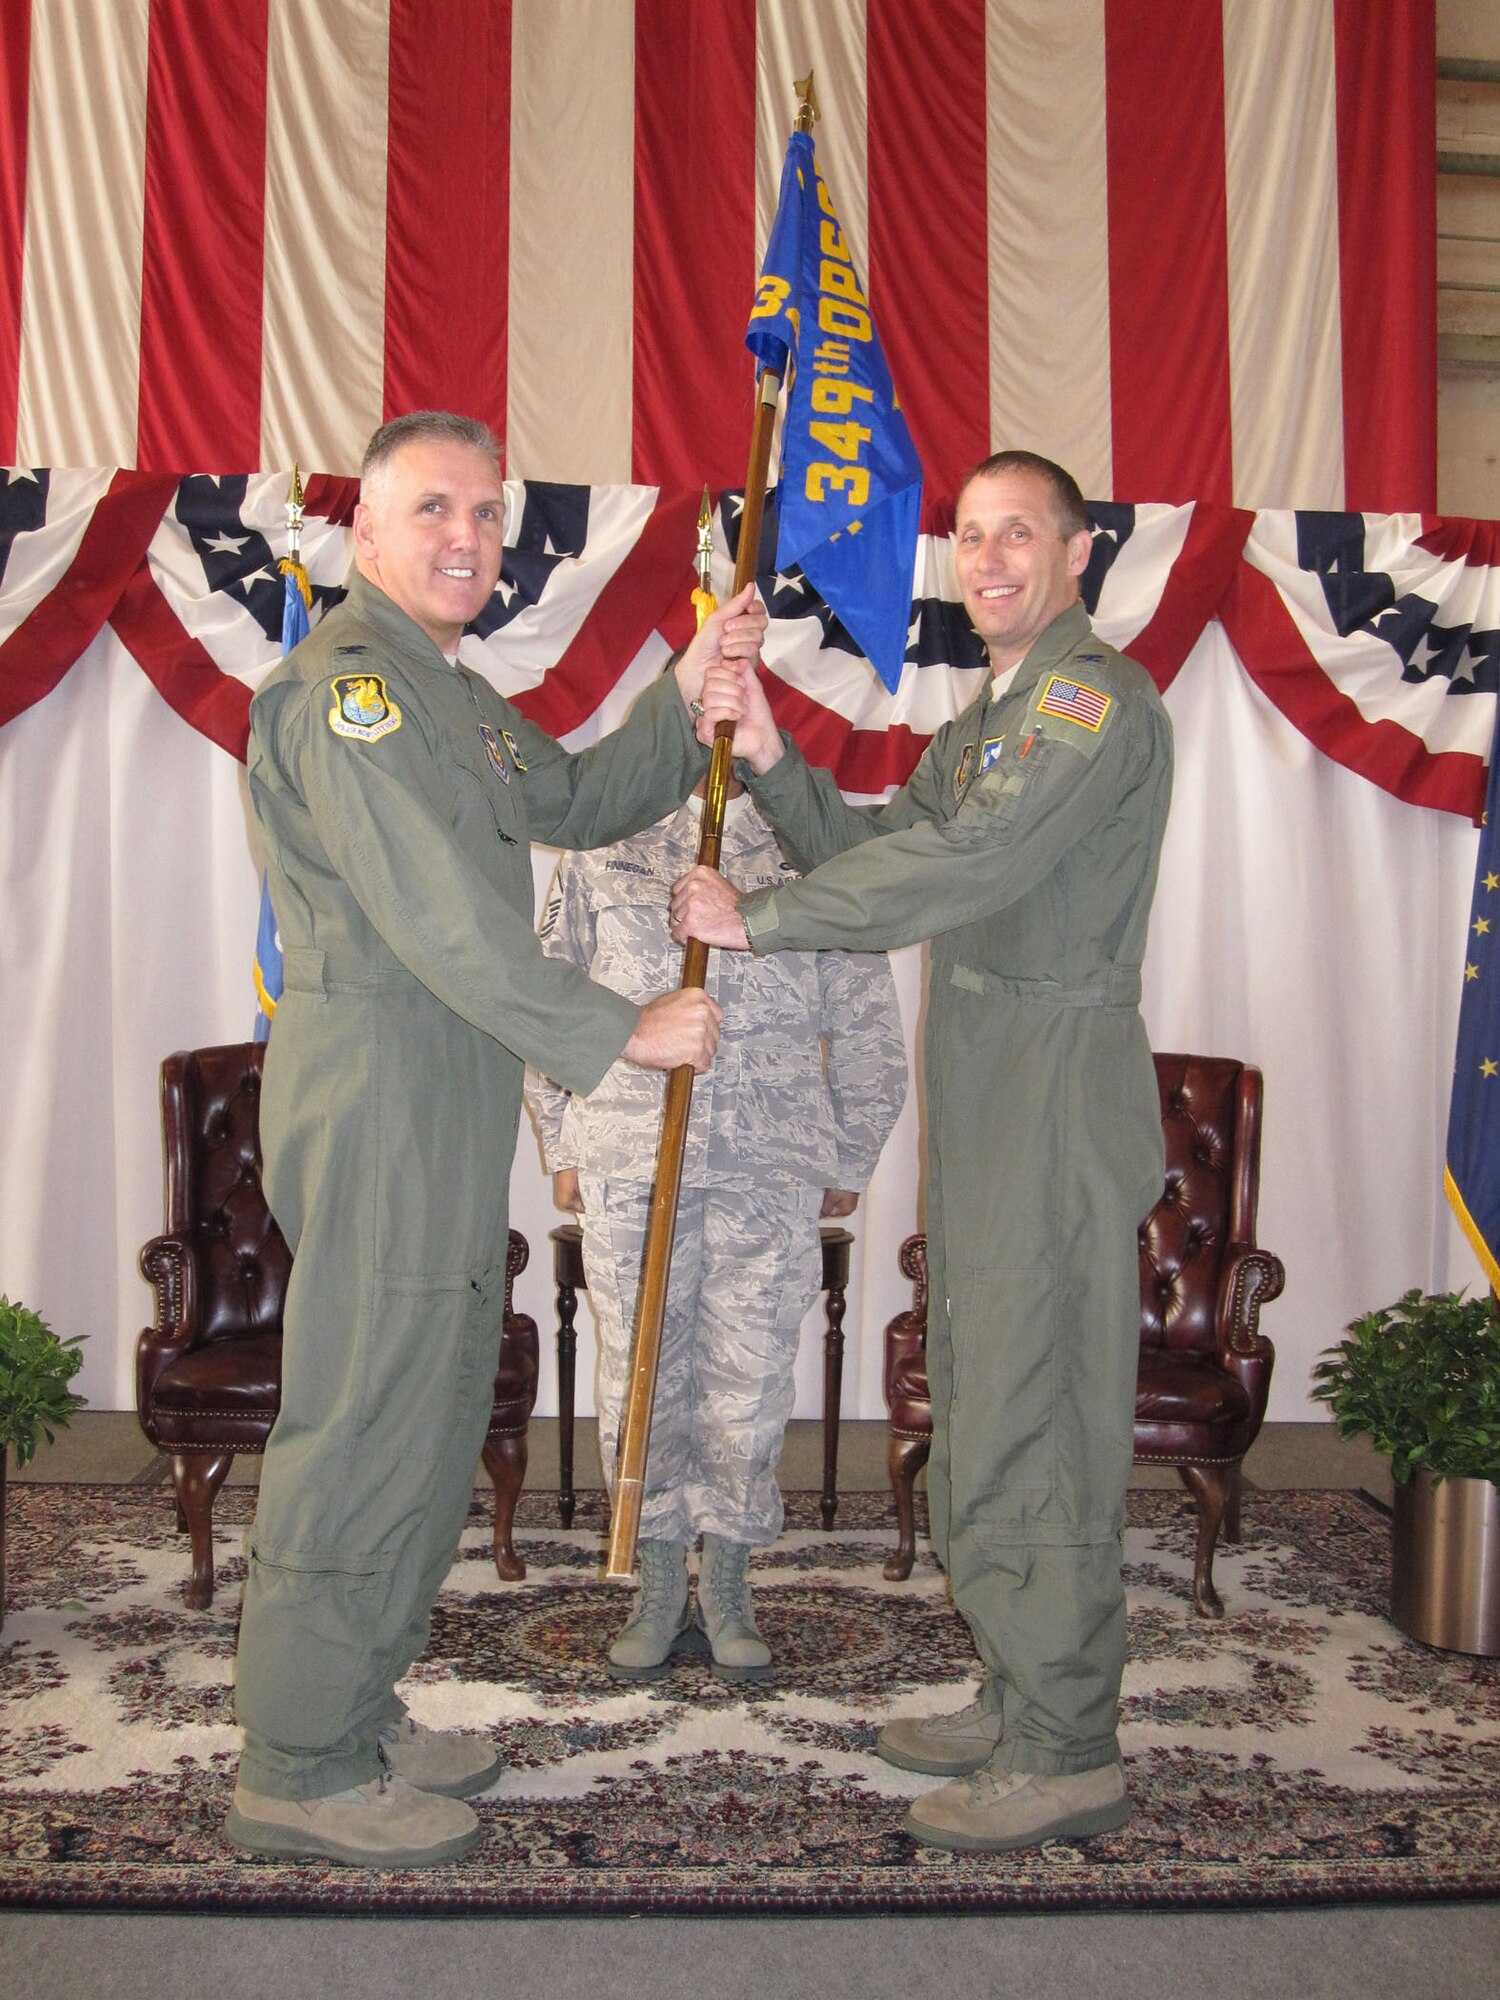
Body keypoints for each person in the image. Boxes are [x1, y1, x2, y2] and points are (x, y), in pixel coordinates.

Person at [228, 410, 766, 1869]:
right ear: (365, 537)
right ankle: (294, 1761)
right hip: (384, 1086)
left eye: (485, 514)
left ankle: (356, 1708)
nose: (467, 538)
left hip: (449, 1088)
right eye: (433, 511)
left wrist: (690, 679)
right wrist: (618, 1028)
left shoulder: (446, 694)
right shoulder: (348, 692)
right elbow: (437, 913)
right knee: (361, 1421)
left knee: (430, 1402)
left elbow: (581, 799)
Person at [670, 451, 1173, 1854]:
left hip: (1057, 1094)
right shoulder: (992, 716)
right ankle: (1021, 1690)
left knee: (1043, 1410)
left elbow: (962, 870)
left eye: (1022, 532)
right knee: (983, 1386)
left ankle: (1067, 1741)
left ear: (1082, 552)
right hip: (993, 1080)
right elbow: (890, 838)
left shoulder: (1090, 701)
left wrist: (756, 925)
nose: (992, 556)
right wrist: (774, 760)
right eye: (972, 535)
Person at [525, 770, 906, 1681]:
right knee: (640, 1372)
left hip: (767, 1161)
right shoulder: (602, 834)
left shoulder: (804, 842)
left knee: (750, 1376)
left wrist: (850, 1153)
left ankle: (729, 1583)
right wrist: (560, 1137)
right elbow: (545, 991)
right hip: (628, 1146)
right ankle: (659, 1583)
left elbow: (864, 1017)